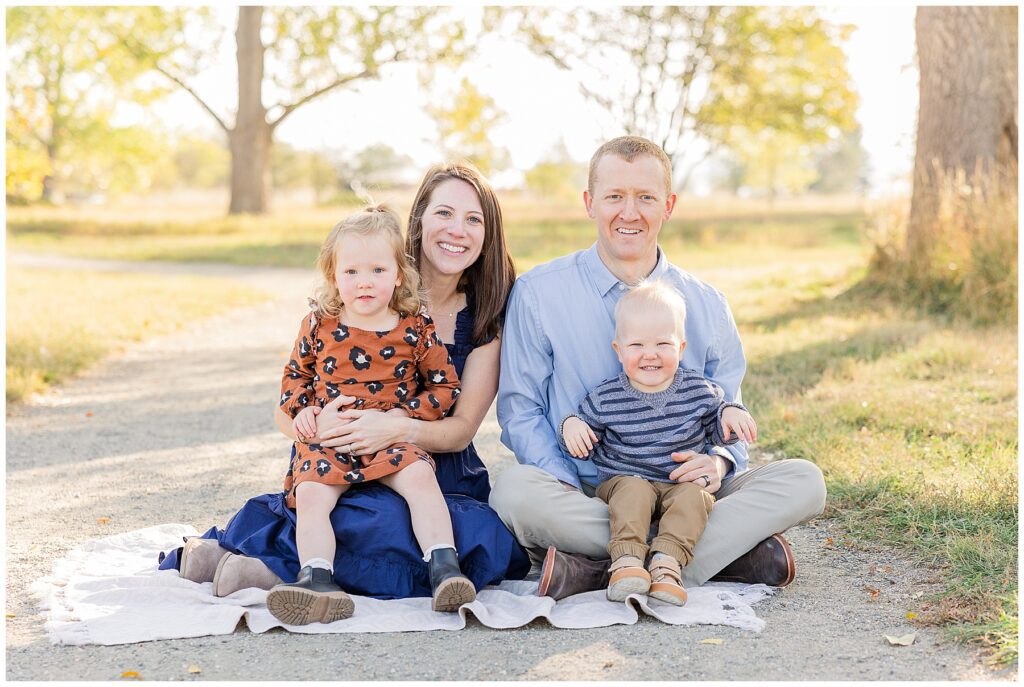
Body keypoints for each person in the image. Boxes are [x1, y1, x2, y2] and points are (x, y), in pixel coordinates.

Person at [161, 162, 529, 605]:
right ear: (419, 222)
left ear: (489, 234)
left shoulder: (485, 318)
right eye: (444, 213)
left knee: (426, 523)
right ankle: (280, 568)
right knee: (323, 497)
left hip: (430, 462)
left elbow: (462, 427)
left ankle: (261, 563)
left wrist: (397, 427)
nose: (458, 230)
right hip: (340, 452)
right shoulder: (355, 293)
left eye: (474, 219)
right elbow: (288, 403)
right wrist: (314, 423)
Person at [490, 135, 827, 600]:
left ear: (668, 205)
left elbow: (729, 410)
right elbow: (520, 410)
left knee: (804, 481)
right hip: (592, 494)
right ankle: (701, 557)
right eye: (614, 197)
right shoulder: (538, 293)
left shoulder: (707, 303)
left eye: (645, 197)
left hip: (687, 495)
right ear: (590, 203)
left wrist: (718, 461)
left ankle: (603, 567)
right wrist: (566, 485)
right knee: (512, 492)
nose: (630, 213)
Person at [264, 204, 472, 624]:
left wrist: (404, 414)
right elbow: (295, 375)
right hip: (332, 439)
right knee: (311, 494)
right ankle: (317, 578)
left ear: (398, 275)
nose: (364, 283)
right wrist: (304, 411)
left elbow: (445, 387)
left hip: (390, 438)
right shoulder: (319, 324)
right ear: (334, 277)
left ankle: (444, 568)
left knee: (419, 477)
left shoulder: (414, 327)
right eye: (352, 272)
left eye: (378, 270)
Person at [559, 281, 757, 606]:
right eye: (636, 345)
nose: (650, 354)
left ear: (680, 348)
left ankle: (667, 564)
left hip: (679, 483)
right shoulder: (605, 396)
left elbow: (719, 427)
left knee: (696, 498)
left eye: (663, 344)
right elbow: (580, 441)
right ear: (618, 350)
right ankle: (627, 563)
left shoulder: (698, 389)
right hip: (625, 481)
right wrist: (571, 425)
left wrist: (732, 414)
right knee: (633, 491)